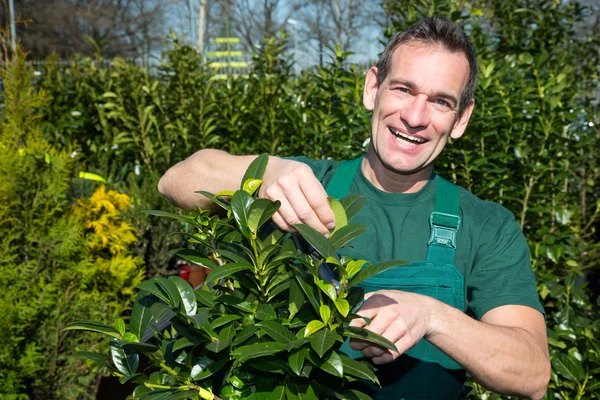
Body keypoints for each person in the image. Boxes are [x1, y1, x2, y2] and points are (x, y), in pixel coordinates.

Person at [158, 17, 550, 400]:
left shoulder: (486, 225)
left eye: (441, 102)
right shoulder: (305, 183)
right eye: (402, 89)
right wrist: (265, 171)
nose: (415, 117)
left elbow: (532, 374)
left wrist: (433, 317)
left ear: (461, 119)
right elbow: (176, 180)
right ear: (372, 88)